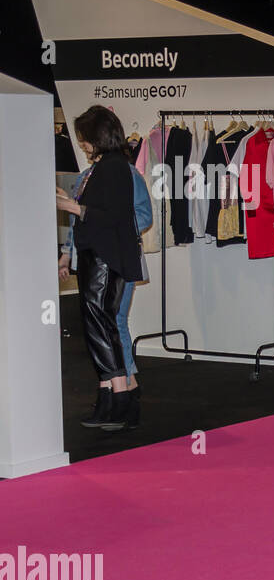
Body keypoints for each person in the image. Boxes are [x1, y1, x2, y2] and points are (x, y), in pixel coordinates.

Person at [55, 105, 144, 430]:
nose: (82, 144)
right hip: (98, 256)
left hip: (106, 258)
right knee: (101, 326)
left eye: (85, 138)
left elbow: (116, 217)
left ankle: (120, 396)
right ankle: (115, 395)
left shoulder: (116, 168)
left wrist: (74, 207)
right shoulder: (107, 168)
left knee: (101, 325)